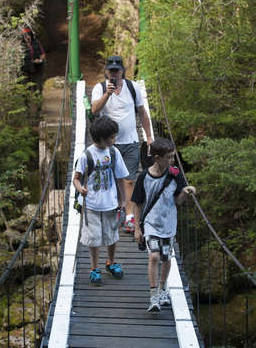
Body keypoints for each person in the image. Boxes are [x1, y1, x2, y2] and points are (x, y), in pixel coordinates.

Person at [131, 138, 196, 312]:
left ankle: (162, 288)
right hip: (151, 223)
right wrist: (137, 228)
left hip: (168, 223)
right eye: (169, 157)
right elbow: (136, 203)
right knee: (154, 256)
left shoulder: (175, 173)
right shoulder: (144, 176)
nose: (173, 161)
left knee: (166, 258)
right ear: (157, 158)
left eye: (173, 157)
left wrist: (185, 192)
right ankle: (154, 295)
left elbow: (178, 201)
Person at [91, 55, 154, 235]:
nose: (114, 74)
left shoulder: (133, 87)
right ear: (106, 72)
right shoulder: (100, 88)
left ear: (122, 71)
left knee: (129, 180)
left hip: (131, 141)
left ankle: (129, 217)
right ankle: (116, 210)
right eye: (111, 71)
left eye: (117, 71)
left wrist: (149, 137)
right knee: (110, 180)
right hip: (108, 144)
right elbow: (95, 110)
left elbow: (142, 113)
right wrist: (108, 94)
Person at [73, 115, 129, 285]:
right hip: (91, 205)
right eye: (112, 137)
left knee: (112, 235)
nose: (114, 140)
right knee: (94, 237)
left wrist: (124, 200)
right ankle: (94, 268)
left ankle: (111, 263)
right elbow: (76, 178)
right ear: (102, 139)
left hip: (111, 203)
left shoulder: (114, 152)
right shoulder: (86, 155)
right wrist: (80, 188)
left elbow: (121, 178)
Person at [22, 27, 46, 93]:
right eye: (25, 36)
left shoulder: (36, 43)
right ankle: (27, 101)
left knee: (38, 86)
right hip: (26, 69)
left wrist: (39, 60)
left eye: (28, 35)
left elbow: (43, 54)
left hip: (37, 67)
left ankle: (37, 100)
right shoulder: (21, 46)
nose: (27, 37)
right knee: (26, 87)